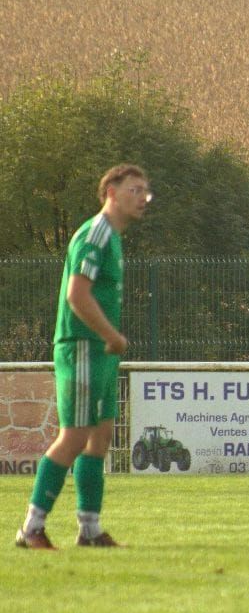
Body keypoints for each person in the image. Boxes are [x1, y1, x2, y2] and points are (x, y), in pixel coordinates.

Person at [16, 164, 150, 550]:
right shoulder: (95, 234)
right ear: (110, 191)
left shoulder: (114, 238)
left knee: (100, 437)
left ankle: (89, 530)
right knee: (73, 436)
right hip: (83, 347)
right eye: (135, 189)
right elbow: (77, 295)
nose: (143, 198)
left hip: (101, 351)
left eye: (146, 192)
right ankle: (31, 529)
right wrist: (112, 335)